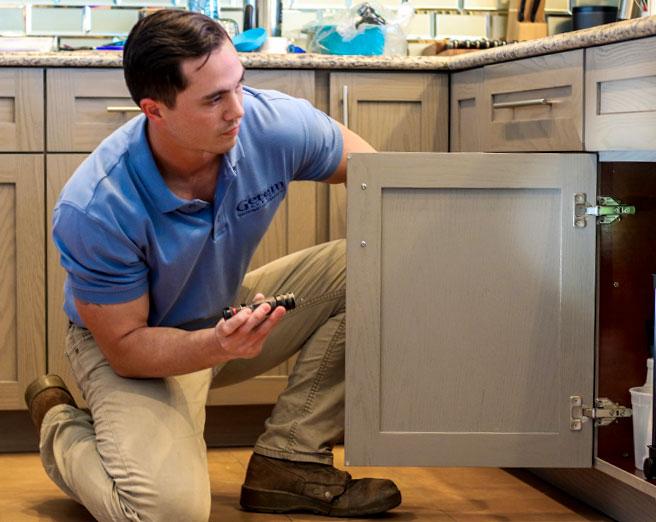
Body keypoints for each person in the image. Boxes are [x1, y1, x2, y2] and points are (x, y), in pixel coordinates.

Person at [24, 9, 401, 520]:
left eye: (239, 86)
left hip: (221, 314)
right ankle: (60, 424)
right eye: (214, 99)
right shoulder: (96, 206)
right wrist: (215, 345)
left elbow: (376, 181)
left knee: (377, 263)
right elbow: (128, 349)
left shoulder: (269, 124)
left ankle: (289, 461)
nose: (237, 110)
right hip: (133, 346)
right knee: (164, 513)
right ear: (154, 111)